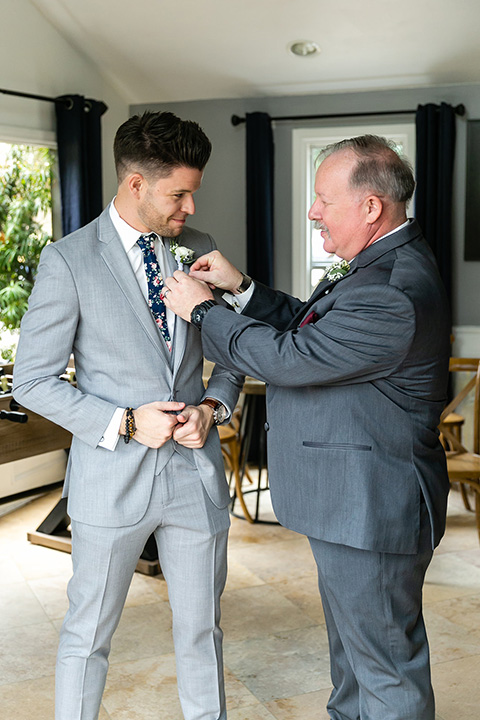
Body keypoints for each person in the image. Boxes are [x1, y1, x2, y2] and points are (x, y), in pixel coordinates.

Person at [161, 135, 451, 720]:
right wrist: (242, 291)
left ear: (371, 207)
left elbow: (289, 359)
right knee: (353, 657)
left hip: (371, 505)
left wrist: (202, 310)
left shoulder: (393, 289)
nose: (313, 211)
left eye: (323, 198)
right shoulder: (380, 265)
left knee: (386, 668)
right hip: (354, 503)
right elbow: (312, 329)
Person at [13, 111, 243, 720]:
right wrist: (122, 421)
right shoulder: (68, 260)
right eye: (179, 193)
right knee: (87, 637)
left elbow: (231, 356)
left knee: (203, 634)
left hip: (195, 479)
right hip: (111, 482)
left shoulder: (198, 250)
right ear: (136, 184)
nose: (191, 207)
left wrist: (213, 407)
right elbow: (33, 380)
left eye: (194, 191)